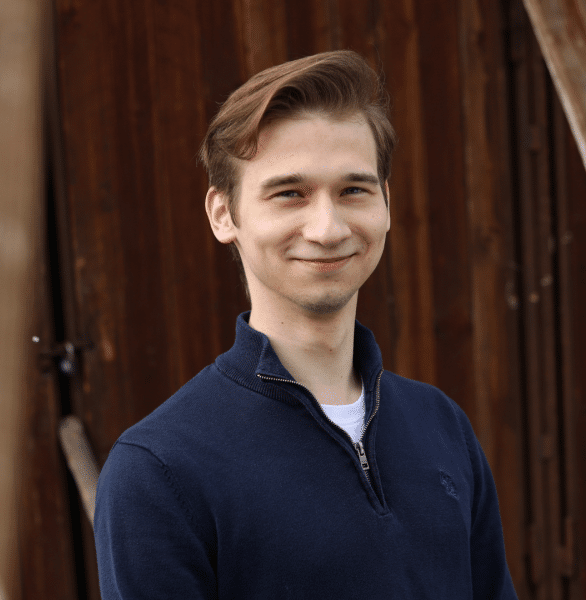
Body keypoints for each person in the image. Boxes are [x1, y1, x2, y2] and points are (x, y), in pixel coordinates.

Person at [94, 50, 519, 599]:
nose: (327, 227)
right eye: (290, 193)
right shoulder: (159, 472)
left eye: (353, 190)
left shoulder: (441, 426)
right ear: (224, 214)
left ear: (387, 203)